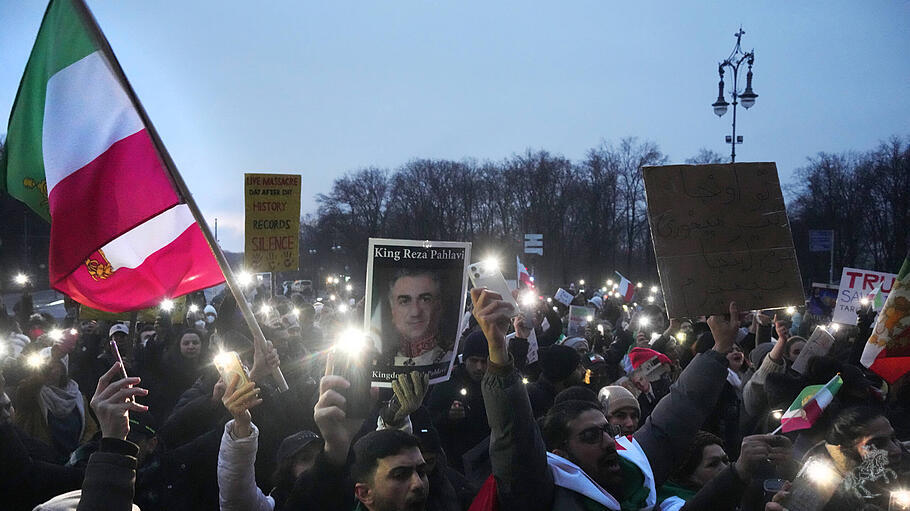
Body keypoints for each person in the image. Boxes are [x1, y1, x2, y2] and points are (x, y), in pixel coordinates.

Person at [471, 288, 737, 510]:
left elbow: (680, 410)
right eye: (590, 436)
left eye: (607, 430)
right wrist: (497, 351)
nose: (610, 442)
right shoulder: (542, 494)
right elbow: (514, 434)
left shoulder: (636, 470)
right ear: (561, 454)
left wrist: (720, 347)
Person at [426, 331, 490, 472]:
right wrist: (448, 416)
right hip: (456, 464)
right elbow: (428, 423)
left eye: (484, 361)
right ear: (465, 359)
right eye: (474, 361)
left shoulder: (493, 385)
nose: (479, 367)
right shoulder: (447, 384)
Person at [386, 269, 451, 367]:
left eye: (425, 300)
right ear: (393, 311)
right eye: (404, 301)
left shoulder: (451, 361)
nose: (415, 312)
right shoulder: (377, 361)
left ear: (439, 307)